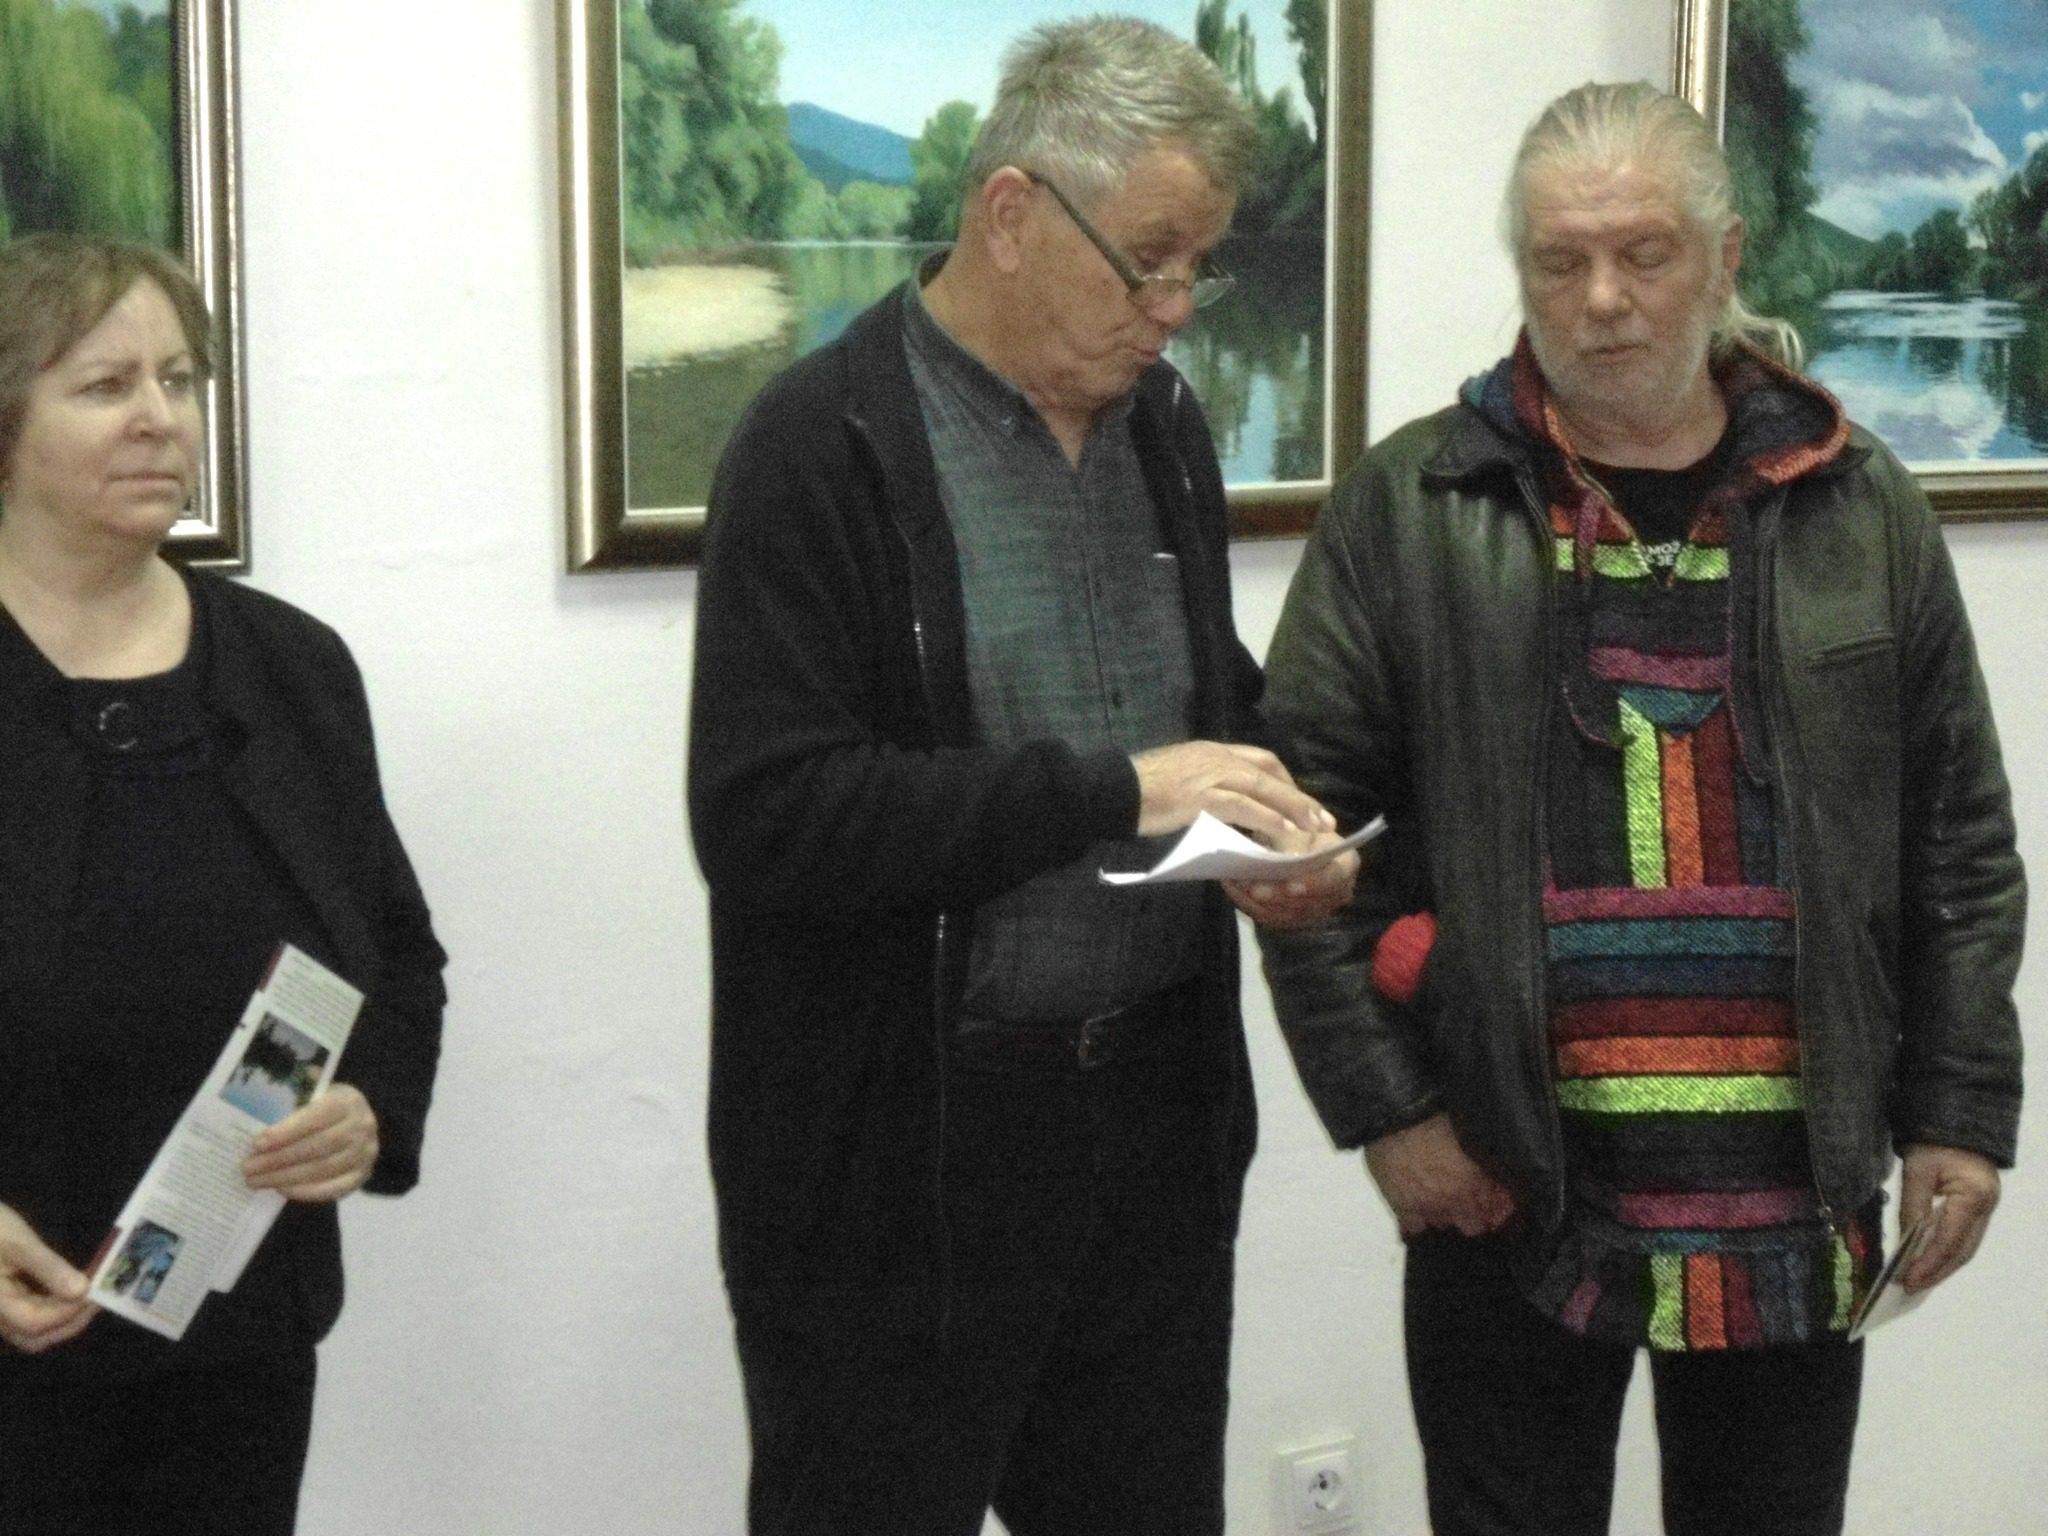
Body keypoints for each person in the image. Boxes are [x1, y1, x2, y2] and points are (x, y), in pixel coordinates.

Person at [1256, 81, 2025, 1536]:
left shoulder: (1862, 508)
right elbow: (1303, 843)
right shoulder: (1413, 506)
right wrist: (1390, 1111)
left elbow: (1961, 845)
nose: (1601, 299)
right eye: (1560, 261)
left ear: (1725, 258)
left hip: (1792, 1203)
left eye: (1644, 254)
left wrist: (1961, 1113)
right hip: (1507, 1185)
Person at [688, 16, 1355, 1534]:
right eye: (1149, 262)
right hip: (902, 1171)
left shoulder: (1164, 428)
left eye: (1201, 268)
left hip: (1156, 1137)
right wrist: (1121, 791)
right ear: (1010, 213)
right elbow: (768, 817)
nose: (1176, 310)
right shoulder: (816, 445)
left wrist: (1281, 829)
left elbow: (1200, 699)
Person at [0, 232, 446, 1533]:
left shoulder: (293, 670)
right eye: (104, 385)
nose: (159, 417)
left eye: (179, 379)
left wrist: (367, 1109)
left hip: (235, 1348)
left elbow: (397, 959)